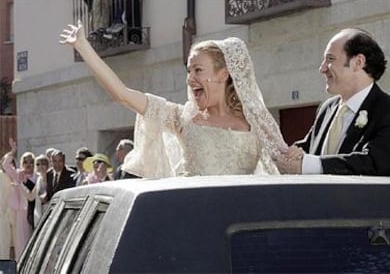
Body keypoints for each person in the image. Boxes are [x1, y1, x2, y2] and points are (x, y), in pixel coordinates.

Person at [60, 21, 287, 177]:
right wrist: (83, 46)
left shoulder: (255, 122)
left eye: (198, 70)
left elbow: (287, 167)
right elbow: (122, 95)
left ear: (224, 73)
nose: (190, 79)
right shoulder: (182, 118)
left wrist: (297, 158)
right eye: (188, 71)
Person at [277, 28, 390, 176]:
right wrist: (285, 154)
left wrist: (307, 165)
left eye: (330, 59)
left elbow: (373, 164)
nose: (322, 68)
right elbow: (308, 147)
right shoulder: (327, 108)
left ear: (358, 62)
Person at [1, 139, 32, 259]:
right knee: (12, 243)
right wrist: (13, 151)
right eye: (25, 161)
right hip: (13, 211)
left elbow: (33, 193)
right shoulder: (16, 174)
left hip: (24, 212)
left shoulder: (33, 176)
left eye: (30, 162)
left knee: (23, 241)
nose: (28, 164)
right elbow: (5, 165)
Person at [25, 155, 49, 228]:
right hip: (38, 213)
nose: (40, 166)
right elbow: (31, 197)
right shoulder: (38, 179)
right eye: (38, 164)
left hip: (48, 213)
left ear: (48, 165)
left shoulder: (51, 178)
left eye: (43, 163)